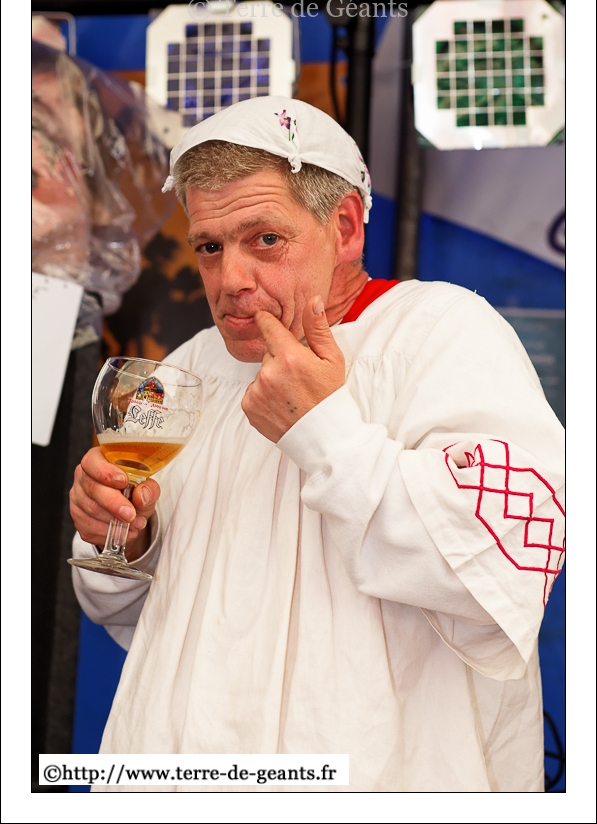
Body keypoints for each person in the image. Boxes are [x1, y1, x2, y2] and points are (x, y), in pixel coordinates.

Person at [70, 96, 565, 793]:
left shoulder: (444, 332)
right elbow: (131, 614)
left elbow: (504, 570)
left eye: (265, 239)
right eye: (209, 247)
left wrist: (324, 431)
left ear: (346, 226)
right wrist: (122, 535)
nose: (230, 279)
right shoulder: (183, 370)